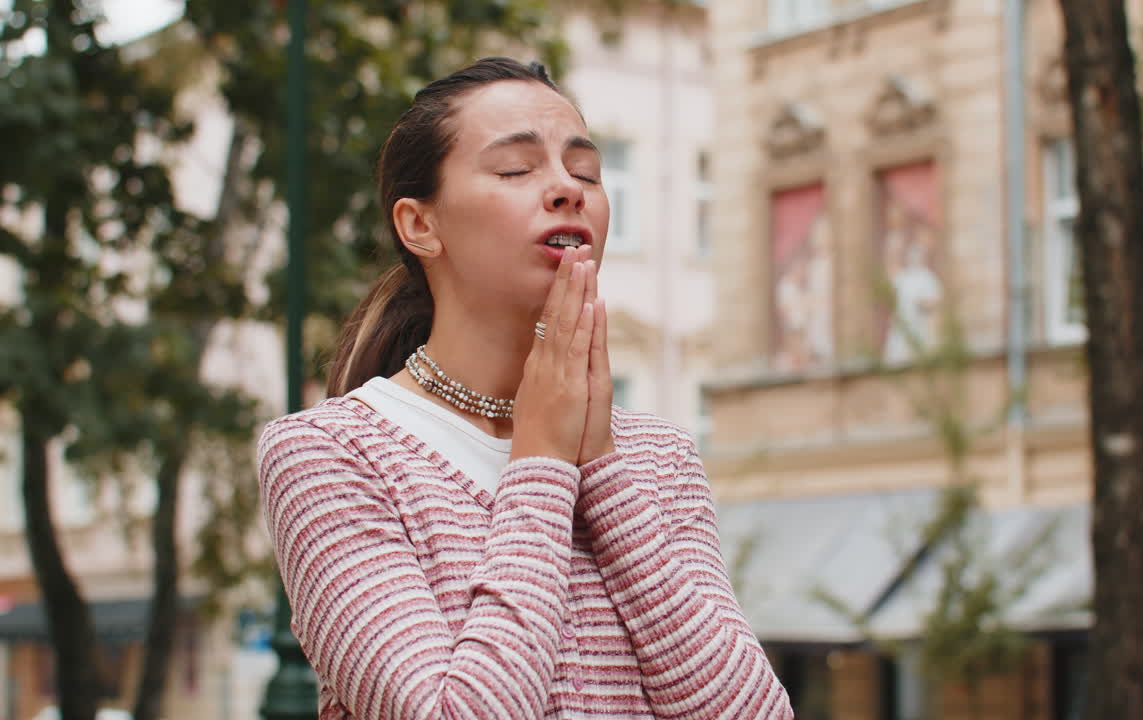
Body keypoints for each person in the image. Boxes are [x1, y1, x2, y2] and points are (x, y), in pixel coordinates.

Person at [256, 57, 793, 720]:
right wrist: (540, 457)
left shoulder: (661, 458)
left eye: (586, 172)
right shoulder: (329, 455)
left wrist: (601, 467)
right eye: (516, 169)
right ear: (419, 225)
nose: (567, 188)